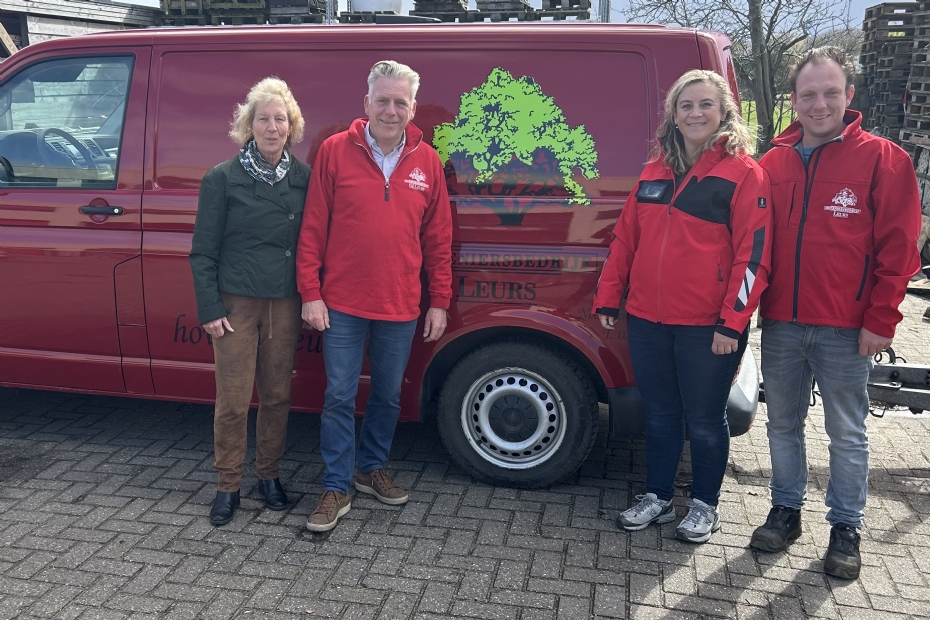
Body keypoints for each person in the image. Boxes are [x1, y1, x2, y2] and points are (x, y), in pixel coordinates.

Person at [750, 47, 922, 579]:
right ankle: (786, 511)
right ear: (794, 100)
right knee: (782, 424)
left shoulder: (884, 160)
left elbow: (900, 249)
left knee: (846, 430)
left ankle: (846, 526)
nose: (818, 103)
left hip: (848, 328)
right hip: (781, 322)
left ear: (849, 96)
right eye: (808, 94)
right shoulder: (772, 163)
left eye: (830, 92)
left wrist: (881, 319)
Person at [593, 69, 772, 544]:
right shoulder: (654, 168)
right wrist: (610, 295)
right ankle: (657, 497)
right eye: (686, 105)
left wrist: (731, 325)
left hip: (706, 326)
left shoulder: (744, 172)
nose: (695, 114)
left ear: (724, 112)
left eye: (705, 105)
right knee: (659, 414)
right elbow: (625, 238)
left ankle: (704, 505)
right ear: (673, 114)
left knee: (706, 420)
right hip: (649, 319)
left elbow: (752, 259)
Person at [296, 60, 453, 533]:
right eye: (382, 100)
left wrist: (440, 300)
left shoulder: (428, 162)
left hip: (401, 304)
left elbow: (439, 238)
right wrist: (311, 292)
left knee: (386, 396)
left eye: (400, 102)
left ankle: (371, 469)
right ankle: (335, 486)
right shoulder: (334, 151)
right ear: (366, 103)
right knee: (339, 396)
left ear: (411, 108)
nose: (390, 109)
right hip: (340, 303)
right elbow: (312, 227)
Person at [189, 77, 310, 526]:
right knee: (234, 400)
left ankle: (269, 477)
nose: (272, 127)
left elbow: (314, 243)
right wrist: (209, 308)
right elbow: (203, 251)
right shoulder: (221, 179)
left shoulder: (304, 179)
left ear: (292, 125)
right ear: (249, 125)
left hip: (284, 304)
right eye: (263, 119)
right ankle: (227, 485)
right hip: (236, 304)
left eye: (281, 119)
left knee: (277, 397)